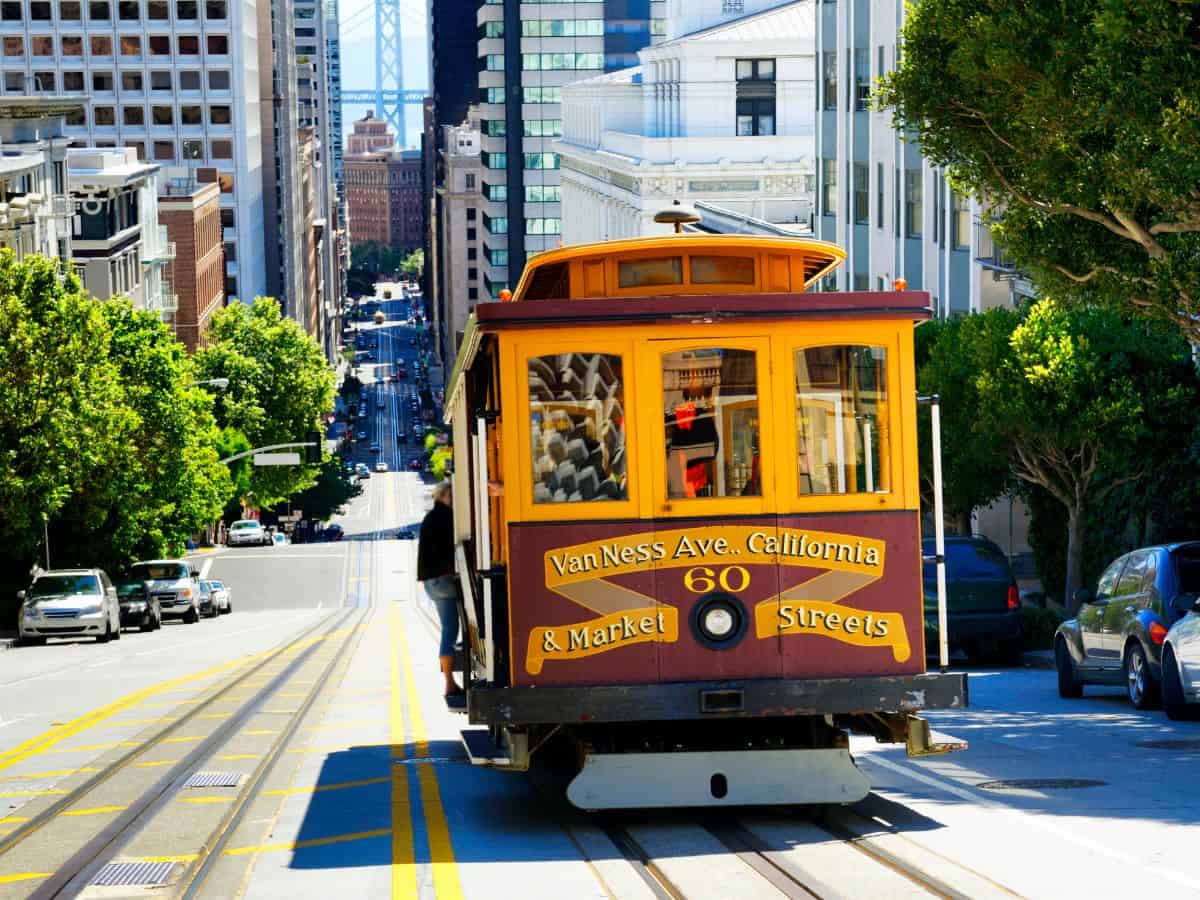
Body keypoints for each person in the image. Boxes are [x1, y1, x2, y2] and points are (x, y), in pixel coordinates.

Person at [417, 480, 462, 703]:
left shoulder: (431, 517)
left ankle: (450, 681)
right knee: (451, 629)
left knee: (448, 628)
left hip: (431, 583)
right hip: (442, 580)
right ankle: (449, 683)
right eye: (452, 496)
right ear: (443, 497)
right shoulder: (446, 518)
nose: (455, 500)